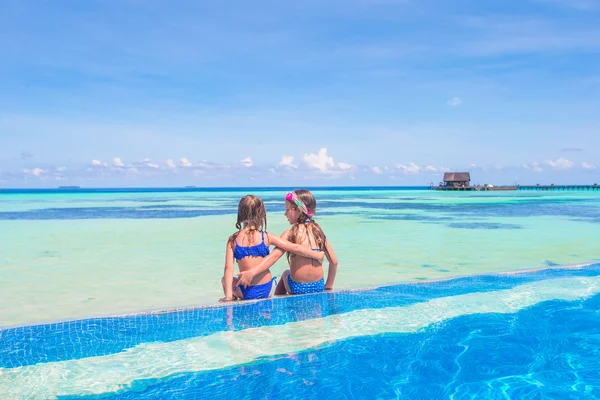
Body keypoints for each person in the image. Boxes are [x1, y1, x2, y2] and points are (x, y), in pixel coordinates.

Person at [221, 194, 324, 302]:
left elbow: (228, 268)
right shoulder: (265, 236)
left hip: (246, 292)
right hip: (267, 289)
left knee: (224, 280)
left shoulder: (233, 240)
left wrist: (228, 296)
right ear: (261, 215)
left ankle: (231, 297)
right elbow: (294, 247)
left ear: (241, 214)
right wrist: (316, 255)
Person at [237, 189, 338, 295]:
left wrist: (252, 272)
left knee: (285, 274)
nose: (285, 214)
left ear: (298, 211)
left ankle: (277, 303)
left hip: (298, 287)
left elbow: (273, 257)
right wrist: (328, 286)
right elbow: (334, 262)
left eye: (287, 209)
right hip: (318, 286)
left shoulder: (289, 233)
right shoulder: (318, 232)